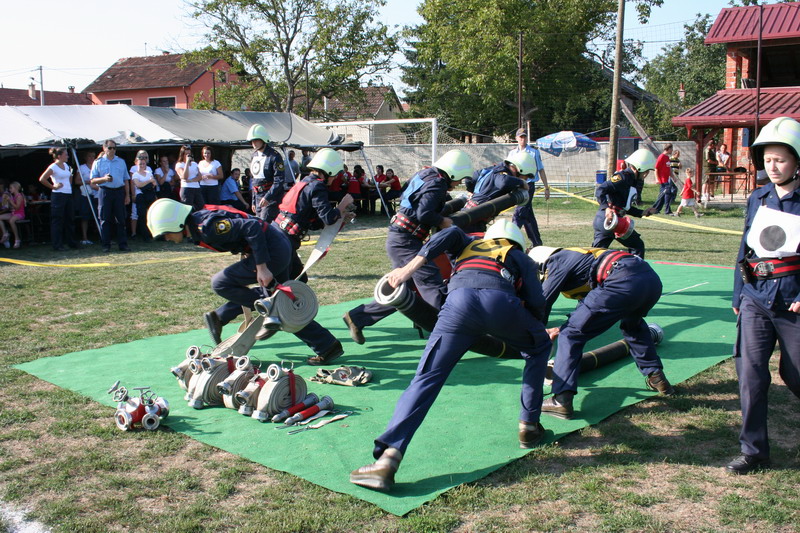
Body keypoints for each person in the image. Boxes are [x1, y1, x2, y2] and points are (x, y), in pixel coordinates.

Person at [350, 220, 552, 491]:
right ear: (517, 241)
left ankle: (388, 458)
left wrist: (409, 269)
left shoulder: (469, 243)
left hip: (457, 306)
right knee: (539, 348)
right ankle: (529, 425)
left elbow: (450, 232)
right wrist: (536, 331)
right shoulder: (519, 256)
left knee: (426, 378)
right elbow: (537, 303)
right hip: (501, 303)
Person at [146, 198, 345, 366]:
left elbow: (252, 227)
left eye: (165, 234)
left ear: (177, 224)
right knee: (281, 306)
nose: (167, 239)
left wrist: (261, 266)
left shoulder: (207, 227)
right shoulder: (200, 223)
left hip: (273, 250)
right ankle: (326, 346)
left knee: (220, 283)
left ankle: (237, 312)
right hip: (276, 244)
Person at [728, 116, 800, 475]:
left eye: (780, 160)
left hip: (793, 301)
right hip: (756, 297)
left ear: (797, 161)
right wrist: (739, 295)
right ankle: (754, 451)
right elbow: (746, 249)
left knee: (796, 374)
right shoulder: (758, 197)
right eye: (768, 159)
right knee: (751, 375)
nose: (773, 166)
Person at [343, 149, 474, 345]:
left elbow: (412, 198)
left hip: (400, 238)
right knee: (431, 282)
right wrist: (443, 221)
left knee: (405, 289)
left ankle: (358, 317)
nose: (457, 183)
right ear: (453, 173)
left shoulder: (425, 174)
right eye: (459, 179)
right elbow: (424, 213)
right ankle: (448, 333)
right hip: (406, 241)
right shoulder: (438, 183)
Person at [529, 245, 675, 420]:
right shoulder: (579, 256)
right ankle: (657, 378)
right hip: (650, 280)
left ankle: (561, 399)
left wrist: (528, 333)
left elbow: (542, 303)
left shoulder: (556, 261)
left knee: (570, 335)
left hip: (621, 279)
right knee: (633, 327)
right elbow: (588, 306)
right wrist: (563, 326)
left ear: (542, 263)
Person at [274, 148, 354, 282]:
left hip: (281, 237)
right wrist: (342, 205)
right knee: (283, 285)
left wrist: (341, 217)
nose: (335, 178)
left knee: (299, 281)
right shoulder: (317, 186)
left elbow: (314, 223)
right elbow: (328, 218)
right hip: (283, 241)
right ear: (328, 171)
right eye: (335, 174)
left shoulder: (306, 182)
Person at [592, 148, 658, 258]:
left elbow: (623, 206)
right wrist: (606, 208)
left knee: (597, 255)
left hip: (608, 221)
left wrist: (642, 212)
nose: (646, 174)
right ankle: (635, 269)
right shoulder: (622, 178)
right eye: (646, 171)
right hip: (610, 220)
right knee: (637, 246)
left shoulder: (632, 181)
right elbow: (600, 190)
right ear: (638, 169)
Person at [462, 151, 533, 233]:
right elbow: (503, 182)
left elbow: (470, 178)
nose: (526, 179)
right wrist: (521, 182)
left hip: (468, 212)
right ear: (519, 169)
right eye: (526, 176)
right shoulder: (503, 174)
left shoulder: (493, 169)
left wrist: (472, 192)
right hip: (475, 219)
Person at [507, 128, 550, 246]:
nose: (523, 139)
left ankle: (511, 238)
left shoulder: (534, 152)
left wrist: (546, 188)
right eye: (520, 137)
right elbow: (509, 172)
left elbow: (541, 169)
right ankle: (536, 242)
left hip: (528, 186)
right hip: (516, 185)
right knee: (528, 215)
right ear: (516, 138)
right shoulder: (512, 153)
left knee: (520, 212)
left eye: (524, 136)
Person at [90, 140, 131, 253]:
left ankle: (123, 244)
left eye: (114, 148)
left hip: (119, 191)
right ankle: (106, 245)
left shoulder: (121, 162)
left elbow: (126, 179)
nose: (112, 150)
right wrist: (104, 179)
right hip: (105, 191)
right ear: (104, 148)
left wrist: (127, 195)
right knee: (105, 219)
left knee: (121, 219)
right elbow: (92, 180)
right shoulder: (98, 162)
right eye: (110, 148)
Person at [39, 147, 78, 251]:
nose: (68, 156)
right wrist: (53, 186)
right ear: (59, 156)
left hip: (68, 194)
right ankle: (57, 245)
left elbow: (69, 178)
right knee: (58, 220)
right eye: (66, 154)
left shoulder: (66, 165)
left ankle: (72, 243)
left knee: (70, 219)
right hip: (58, 195)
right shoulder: (53, 167)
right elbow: (42, 179)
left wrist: (69, 185)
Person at [247, 124, 286, 223]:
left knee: (264, 224)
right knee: (259, 223)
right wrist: (253, 201)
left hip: (271, 197)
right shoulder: (254, 155)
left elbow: (279, 180)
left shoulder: (275, 156)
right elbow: (254, 180)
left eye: (256, 140)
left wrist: (267, 197)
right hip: (258, 197)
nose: (253, 143)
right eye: (252, 141)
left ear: (263, 140)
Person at [130, 150, 158, 240]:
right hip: (140, 196)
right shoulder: (135, 174)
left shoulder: (149, 172)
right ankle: (143, 235)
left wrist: (146, 184)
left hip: (150, 195)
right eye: (140, 164)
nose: (142, 165)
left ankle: (152, 233)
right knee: (141, 216)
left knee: (151, 214)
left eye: (143, 164)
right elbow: (138, 185)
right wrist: (149, 181)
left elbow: (154, 183)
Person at [76, 151, 99, 245]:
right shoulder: (82, 167)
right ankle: (85, 237)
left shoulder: (97, 166)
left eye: (93, 156)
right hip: (86, 195)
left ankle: (101, 235)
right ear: (85, 157)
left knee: (99, 215)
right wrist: (88, 182)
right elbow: (77, 181)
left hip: (96, 194)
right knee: (85, 216)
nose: (91, 158)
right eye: (89, 156)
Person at [650, 143, 676, 215]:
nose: (672, 151)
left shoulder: (667, 157)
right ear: (668, 149)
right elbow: (656, 169)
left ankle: (655, 209)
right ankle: (667, 211)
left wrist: (673, 177)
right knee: (667, 194)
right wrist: (657, 179)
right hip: (662, 180)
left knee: (663, 195)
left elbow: (669, 169)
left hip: (666, 179)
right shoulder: (661, 157)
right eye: (671, 149)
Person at [175, 145, 203, 211]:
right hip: (186, 188)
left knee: (200, 205)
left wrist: (191, 180)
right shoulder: (179, 164)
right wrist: (187, 163)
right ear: (182, 155)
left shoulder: (194, 164)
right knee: (187, 207)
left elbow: (200, 177)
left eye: (189, 154)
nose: (188, 156)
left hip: (196, 187)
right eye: (186, 154)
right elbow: (184, 176)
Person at [0, 182, 26, 249]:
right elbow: (8, 207)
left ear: (16, 188)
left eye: (11, 188)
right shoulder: (13, 196)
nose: (10, 189)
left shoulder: (19, 196)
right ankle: (5, 234)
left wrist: (10, 200)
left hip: (20, 214)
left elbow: (17, 208)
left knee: (11, 221)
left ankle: (17, 239)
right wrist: (6, 201)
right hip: (13, 213)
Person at [702, 139, 719, 203]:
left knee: (710, 182)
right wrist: (715, 162)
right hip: (708, 168)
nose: (714, 146)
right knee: (706, 181)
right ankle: (703, 194)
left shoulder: (711, 151)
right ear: (711, 145)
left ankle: (708, 194)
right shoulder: (707, 150)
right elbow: (708, 160)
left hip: (712, 168)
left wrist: (716, 162)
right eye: (714, 145)